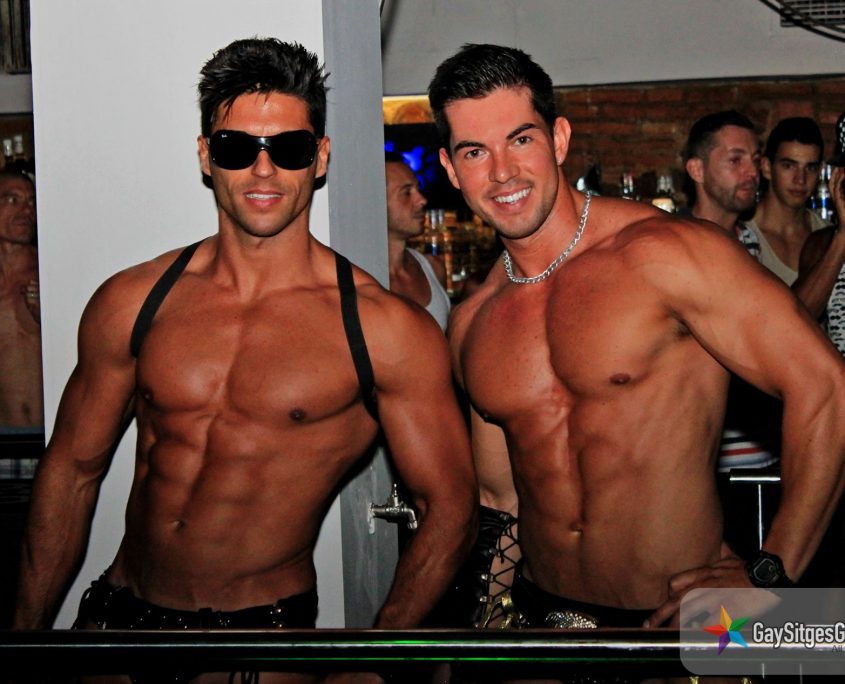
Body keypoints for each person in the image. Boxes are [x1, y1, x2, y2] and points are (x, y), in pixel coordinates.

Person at [14, 37, 476, 682]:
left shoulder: (383, 330)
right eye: (237, 148)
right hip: (117, 622)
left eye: (288, 149)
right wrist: (24, 638)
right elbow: (71, 471)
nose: (263, 171)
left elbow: (451, 507)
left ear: (319, 157)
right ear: (207, 156)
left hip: (263, 640)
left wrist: (376, 658)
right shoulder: (134, 301)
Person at [428, 43, 845, 632]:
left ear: (559, 139)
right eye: (475, 151)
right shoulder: (473, 319)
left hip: (690, 624)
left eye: (520, 139)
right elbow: (501, 504)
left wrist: (770, 574)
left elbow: (827, 387)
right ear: (451, 170)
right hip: (544, 624)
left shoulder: (667, 255)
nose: (502, 172)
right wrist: (484, 637)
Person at [684, 110, 780, 480]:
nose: (752, 172)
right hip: (704, 469)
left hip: (764, 460)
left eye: (755, 160)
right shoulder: (674, 245)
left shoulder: (751, 242)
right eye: (736, 160)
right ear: (697, 170)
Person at [745, 117, 828, 286]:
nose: (800, 179)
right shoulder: (742, 236)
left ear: (820, 172)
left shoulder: (827, 235)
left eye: (810, 168)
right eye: (789, 166)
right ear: (767, 168)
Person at [384, 152, 450, 331]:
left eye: (418, 189)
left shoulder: (433, 267)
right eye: (407, 193)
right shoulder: (363, 276)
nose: (422, 200)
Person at [0, 170, 42, 440]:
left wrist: (47, 318)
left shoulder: (48, 272)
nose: (27, 210)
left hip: (47, 434)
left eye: (31, 202)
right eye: (13, 200)